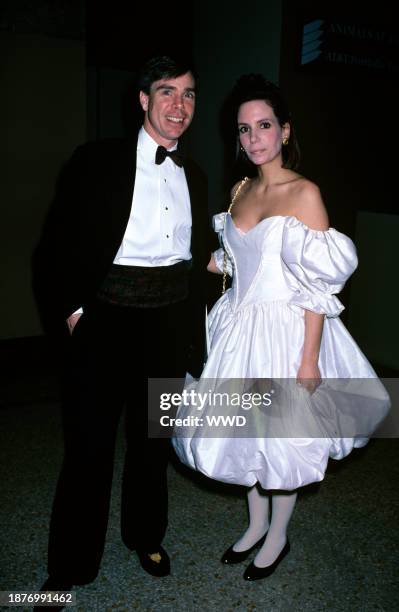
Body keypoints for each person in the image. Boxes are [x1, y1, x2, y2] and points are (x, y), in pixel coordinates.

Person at [172, 74, 390, 581]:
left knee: (283, 440)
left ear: (285, 131)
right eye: (244, 129)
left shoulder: (305, 194)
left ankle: (278, 535)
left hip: (286, 332)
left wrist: (309, 358)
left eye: (264, 125)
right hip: (237, 329)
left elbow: (317, 285)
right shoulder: (240, 189)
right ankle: (254, 524)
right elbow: (235, 260)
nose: (254, 138)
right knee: (246, 437)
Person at [32, 54, 210, 601]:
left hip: (164, 327)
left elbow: (195, 254)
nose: (179, 106)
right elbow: (54, 246)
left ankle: (145, 535)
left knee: (151, 442)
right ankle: (70, 565)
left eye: (188, 94)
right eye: (166, 92)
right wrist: (73, 312)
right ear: (142, 100)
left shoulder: (196, 175)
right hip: (104, 323)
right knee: (88, 448)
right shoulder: (95, 160)